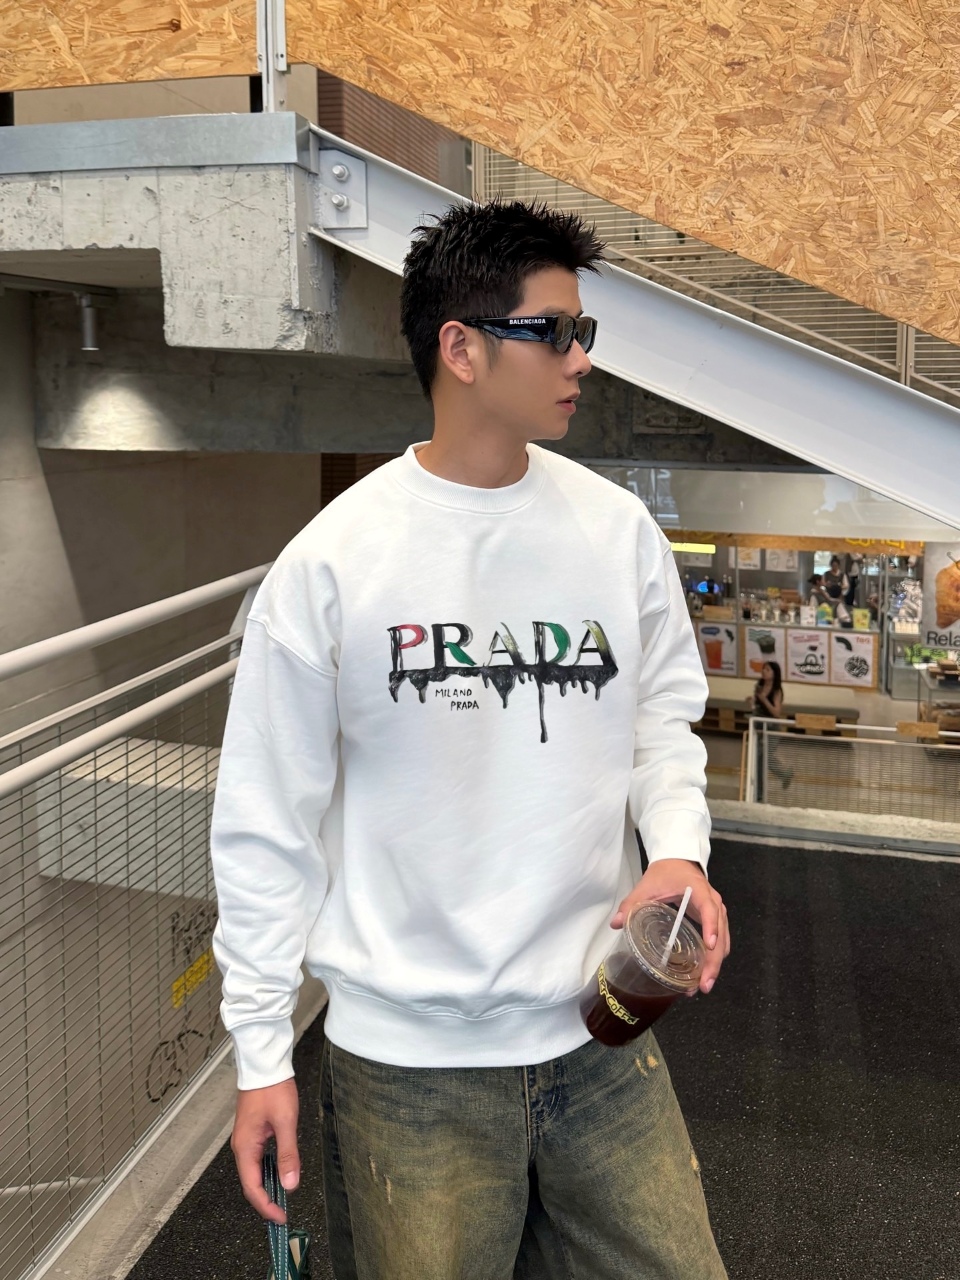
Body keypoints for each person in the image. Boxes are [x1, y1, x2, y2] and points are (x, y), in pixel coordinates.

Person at [210, 199, 731, 1279]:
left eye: (584, 331)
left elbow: (661, 717)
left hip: (599, 1027)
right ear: (462, 348)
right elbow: (266, 824)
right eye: (555, 331)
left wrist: (678, 849)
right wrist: (261, 1052)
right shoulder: (332, 563)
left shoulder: (616, 530)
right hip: (410, 1070)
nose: (581, 358)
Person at [748, 661, 792, 791]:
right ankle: (759, 791)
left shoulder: (777, 691)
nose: (764, 672)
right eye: (763, 669)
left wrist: (764, 700)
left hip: (772, 728)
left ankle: (784, 774)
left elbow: (777, 713)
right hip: (758, 726)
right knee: (758, 759)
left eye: (767, 670)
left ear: (774, 673)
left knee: (765, 757)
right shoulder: (759, 686)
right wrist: (752, 702)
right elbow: (756, 706)